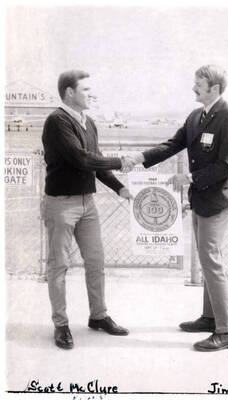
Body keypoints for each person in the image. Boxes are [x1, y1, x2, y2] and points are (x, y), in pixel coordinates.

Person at [125, 64, 228, 352]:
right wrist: (140, 156)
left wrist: (189, 177)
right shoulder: (195, 117)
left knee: (211, 262)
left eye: (198, 84)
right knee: (206, 260)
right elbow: (172, 145)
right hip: (201, 199)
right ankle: (209, 317)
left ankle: (226, 331)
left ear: (214, 88)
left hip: (216, 201)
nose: (193, 88)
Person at [42, 70, 131, 349]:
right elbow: (81, 159)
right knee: (58, 265)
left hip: (87, 204)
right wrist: (121, 161)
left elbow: (96, 162)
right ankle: (61, 324)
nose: (92, 94)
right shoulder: (58, 121)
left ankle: (98, 316)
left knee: (96, 261)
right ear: (69, 92)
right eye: (86, 89)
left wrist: (120, 188)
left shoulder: (89, 122)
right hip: (61, 204)